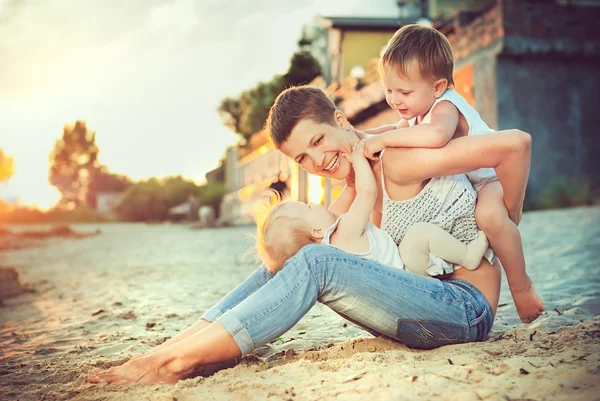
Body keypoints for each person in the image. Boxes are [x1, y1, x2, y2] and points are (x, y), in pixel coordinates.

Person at [88, 85, 534, 385]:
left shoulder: (396, 159)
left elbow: (515, 145)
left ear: (340, 119)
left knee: (316, 260)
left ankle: (175, 360)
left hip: (463, 309)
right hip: (418, 310)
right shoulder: (348, 189)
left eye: (319, 141)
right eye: (303, 158)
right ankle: (181, 346)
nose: (318, 161)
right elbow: (292, 255)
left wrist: (502, 217)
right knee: (290, 254)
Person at [360, 24, 544, 323]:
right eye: (389, 90)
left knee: (491, 218)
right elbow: (391, 130)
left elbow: (436, 136)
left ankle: (522, 286)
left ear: (437, 86)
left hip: (489, 180)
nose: (395, 100)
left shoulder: (446, 105)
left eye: (404, 92)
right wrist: (360, 136)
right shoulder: (418, 109)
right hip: (467, 184)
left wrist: (381, 142)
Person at [258, 139, 489, 276]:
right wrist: (358, 159)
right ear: (317, 231)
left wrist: (349, 183)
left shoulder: (334, 248)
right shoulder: (344, 231)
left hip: (400, 271)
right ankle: (467, 255)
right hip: (407, 273)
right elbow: (366, 193)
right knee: (419, 233)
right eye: (308, 207)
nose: (315, 204)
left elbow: (345, 198)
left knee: (415, 235)